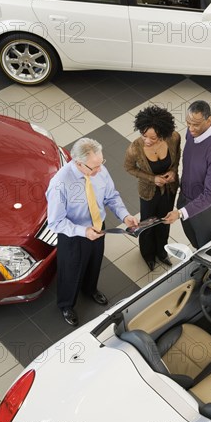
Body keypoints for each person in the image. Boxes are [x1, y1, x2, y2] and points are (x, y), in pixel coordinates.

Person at [46, 137, 138, 326]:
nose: (99, 170)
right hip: (74, 235)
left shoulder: (99, 170)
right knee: (70, 271)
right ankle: (66, 304)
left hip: (98, 227)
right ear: (78, 163)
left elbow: (112, 196)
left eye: (100, 163)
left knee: (94, 262)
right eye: (93, 167)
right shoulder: (60, 184)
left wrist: (124, 216)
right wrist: (83, 231)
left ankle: (89, 289)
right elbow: (55, 222)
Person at [164, 100, 211, 248]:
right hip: (186, 199)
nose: (191, 129)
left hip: (207, 210)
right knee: (194, 240)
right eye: (188, 123)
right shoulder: (192, 132)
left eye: (195, 124)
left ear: (209, 120)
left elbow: (210, 195)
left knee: (206, 247)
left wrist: (181, 213)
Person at [124, 105, 181, 271]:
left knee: (165, 221)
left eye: (153, 138)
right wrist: (152, 178)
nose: (147, 141)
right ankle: (147, 254)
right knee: (147, 224)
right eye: (144, 135)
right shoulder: (135, 148)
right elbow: (129, 168)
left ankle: (162, 251)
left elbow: (177, 156)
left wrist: (173, 171)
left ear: (163, 134)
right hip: (148, 192)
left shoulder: (174, 138)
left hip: (169, 188)